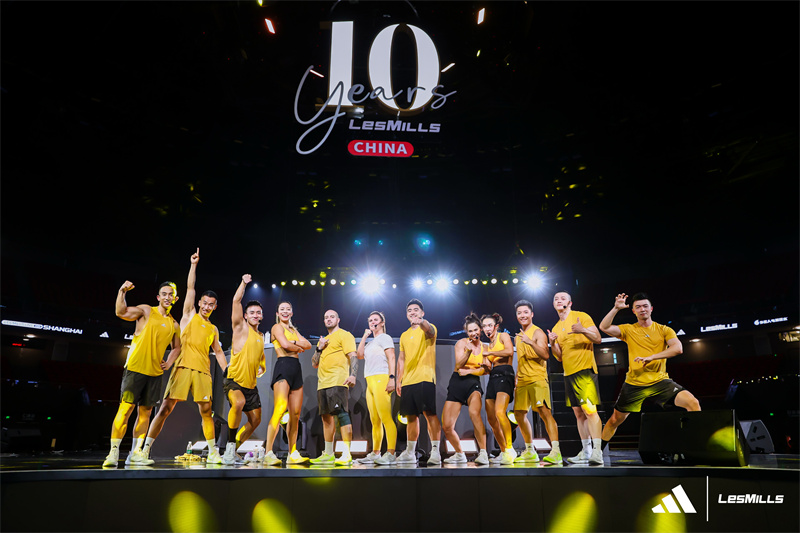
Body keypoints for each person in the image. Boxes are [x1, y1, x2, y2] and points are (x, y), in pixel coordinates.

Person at [140, 248, 228, 465]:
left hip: (203, 372)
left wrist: (227, 371)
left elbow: (218, 352)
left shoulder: (213, 329)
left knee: (207, 412)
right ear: (199, 303)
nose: (206, 306)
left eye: (211, 304)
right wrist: (193, 265)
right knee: (165, 408)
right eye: (204, 303)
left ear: (215, 307)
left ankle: (213, 452)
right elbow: (190, 287)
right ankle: (145, 449)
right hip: (182, 368)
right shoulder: (189, 315)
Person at [598, 293, 701, 449]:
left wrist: (652, 357)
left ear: (651, 309)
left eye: (645, 306)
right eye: (638, 307)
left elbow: (678, 348)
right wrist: (616, 308)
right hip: (634, 383)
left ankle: (696, 445)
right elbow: (604, 327)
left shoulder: (664, 330)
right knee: (614, 420)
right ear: (633, 311)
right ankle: (597, 452)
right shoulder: (629, 329)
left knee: (693, 403)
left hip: (660, 381)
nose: (642, 309)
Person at [103, 280, 182, 467]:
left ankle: (136, 453)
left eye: (171, 295)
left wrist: (169, 363)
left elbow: (177, 347)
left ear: (175, 299)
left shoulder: (174, 324)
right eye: (164, 294)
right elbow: (121, 312)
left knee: (145, 413)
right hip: (135, 368)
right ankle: (113, 453)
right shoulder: (146, 311)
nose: (167, 297)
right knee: (125, 409)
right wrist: (122, 291)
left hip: (154, 374)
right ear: (158, 297)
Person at [547, 292, 604, 466]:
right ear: (553, 304)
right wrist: (553, 343)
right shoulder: (556, 327)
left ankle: (597, 451)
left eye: (562, 298)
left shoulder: (581, 316)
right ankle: (586, 451)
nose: (559, 300)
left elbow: (598, 339)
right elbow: (559, 357)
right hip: (568, 373)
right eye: (556, 299)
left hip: (584, 370)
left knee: (590, 411)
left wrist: (583, 330)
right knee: (579, 414)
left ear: (570, 303)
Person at [391, 299, 443, 465]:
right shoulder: (404, 335)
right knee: (411, 417)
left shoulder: (428, 327)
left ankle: (435, 452)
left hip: (425, 378)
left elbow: (429, 330)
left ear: (422, 313)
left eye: (416, 310)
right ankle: (410, 452)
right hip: (408, 381)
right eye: (409, 311)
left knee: (430, 414)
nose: (412, 312)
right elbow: (401, 359)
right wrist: (399, 380)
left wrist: (422, 322)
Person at [221, 274, 266, 465]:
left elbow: (260, 358)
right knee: (238, 403)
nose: (255, 315)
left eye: (258, 313)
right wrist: (243, 283)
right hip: (233, 380)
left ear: (261, 316)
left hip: (251, 385)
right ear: (245, 316)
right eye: (252, 312)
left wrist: (262, 368)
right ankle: (229, 449)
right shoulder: (240, 328)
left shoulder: (260, 336)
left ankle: (234, 450)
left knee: (256, 420)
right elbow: (236, 301)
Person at [262, 301, 313, 465]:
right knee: (280, 408)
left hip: (296, 369)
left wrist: (295, 344)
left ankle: (293, 453)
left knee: (295, 414)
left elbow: (308, 344)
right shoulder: (276, 327)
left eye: (288, 309)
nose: (285, 311)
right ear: (277, 313)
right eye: (282, 309)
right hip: (283, 366)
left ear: (291, 313)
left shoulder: (293, 330)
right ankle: (268, 452)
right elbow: (284, 345)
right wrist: (297, 347)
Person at [514, 300, 562, 465]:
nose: (522, 315)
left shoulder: (538, 332)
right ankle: (530, 451)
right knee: (519, 414)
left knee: (544, 412)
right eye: (519, 313)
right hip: (522, 380)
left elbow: (545, 355)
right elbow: (520, 359)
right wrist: (517, 376)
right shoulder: (518, 336)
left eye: (525, 312)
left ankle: (556, 451)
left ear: (531, 314)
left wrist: (531, 342)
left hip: (537, 378)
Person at [309, 310, 358, 466]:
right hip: (322, 383)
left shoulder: (345, 335)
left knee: (342, 415)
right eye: (326, 317)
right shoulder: (323, 340)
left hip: (337, 381)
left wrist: (353, 375)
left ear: (338, 319)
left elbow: (353, 355)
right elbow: (314, 363)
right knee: (326, 418)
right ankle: (329, 454)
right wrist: (319, 347)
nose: (328, 319)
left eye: (332, 317)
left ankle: (346, 453)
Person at [442, 313, 490, 465]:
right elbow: (458, 365)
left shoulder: (486, 347)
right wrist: (468, 352)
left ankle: (483, 453)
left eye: (475, 330)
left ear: (480, 330)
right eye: (470, 331)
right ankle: (459, 453)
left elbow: (486, 370)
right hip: (457, 382)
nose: (473, 333)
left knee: (474, 413)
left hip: (473, 383)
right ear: (466, 332)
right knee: (447, 426)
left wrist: (470, 371)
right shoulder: (461, 343)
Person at [355, 311, 398, 465]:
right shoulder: (370, 342)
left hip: (382, 378)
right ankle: (376, 453)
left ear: (382, 323)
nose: (372, 322)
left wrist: (392, 378)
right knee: (375, 420)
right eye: (370, 320)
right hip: (370, 381)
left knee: (385, 417)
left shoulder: (385, 338)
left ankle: (391, 453)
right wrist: (365, 336)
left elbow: (391, 357)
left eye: (375, 320)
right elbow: (359, 355)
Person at [481, 313, 516, 465]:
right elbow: (489, 367)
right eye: (484, 326)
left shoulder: (503, 336)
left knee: (500, 412)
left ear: (496, 326)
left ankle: (510, 449)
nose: (487, 328)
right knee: (491, 418)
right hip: (493, 376)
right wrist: (484, 365)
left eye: (490, 325)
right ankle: (503, 451)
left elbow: (509, 351)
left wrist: (490, 353)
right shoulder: (487, 345)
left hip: (505, 373)